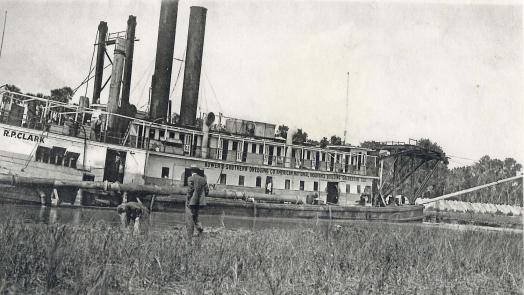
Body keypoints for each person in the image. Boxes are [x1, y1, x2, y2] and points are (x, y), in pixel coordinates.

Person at [186, 165, 209, 238]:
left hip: (192, 201)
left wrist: (188, 199)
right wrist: (202, 197)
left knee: (190, 216)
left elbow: (190, 190)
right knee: (195, 215)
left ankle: (190, 233)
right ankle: (199, 229)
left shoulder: (190, 178)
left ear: (191, 171)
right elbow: (207, 191)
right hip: (200, 202)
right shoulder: (203, 179)